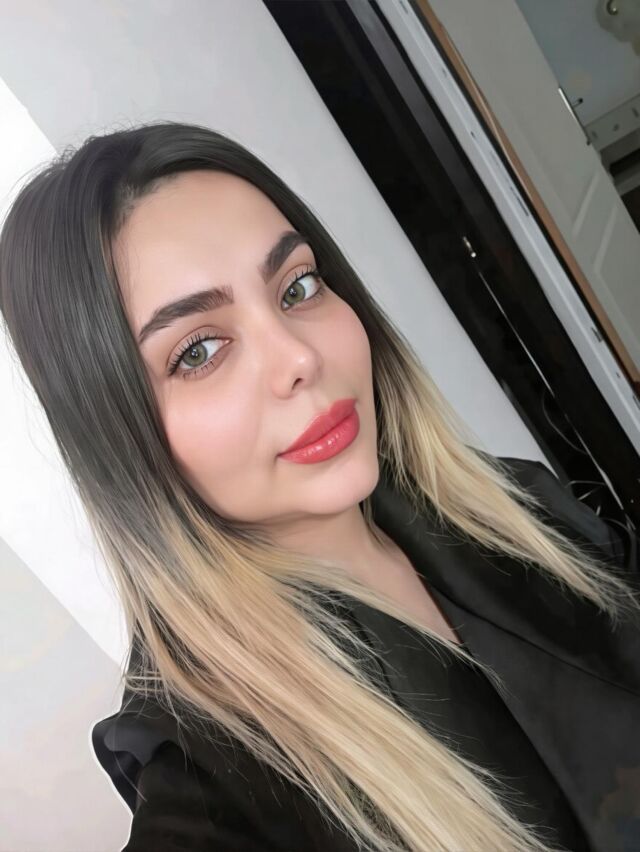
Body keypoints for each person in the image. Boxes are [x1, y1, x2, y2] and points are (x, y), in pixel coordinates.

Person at [0, 120, 638, 852]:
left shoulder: (513, 506)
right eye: (198, 351)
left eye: (297, 286)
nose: (298, 357)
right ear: (117, 436)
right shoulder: (212, 782)